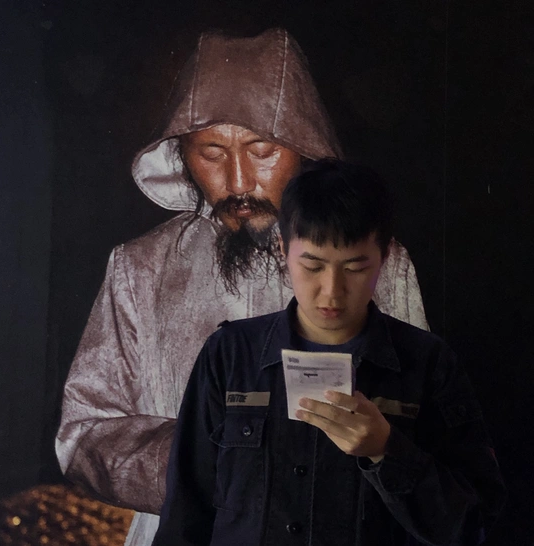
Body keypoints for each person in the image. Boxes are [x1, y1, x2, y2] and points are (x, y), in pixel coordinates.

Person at [55, 29, 429, 546]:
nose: (237, 182)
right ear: (181, 156)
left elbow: (426, 426)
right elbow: (84, 434)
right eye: (211, 153)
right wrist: (205, 460)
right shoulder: (140, 269)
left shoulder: (380, 264)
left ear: (305, 149)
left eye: (262, 150)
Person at [152, 159, 505, 546]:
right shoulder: (230, 354)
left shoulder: (428, 364)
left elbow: (473, 524)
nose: (332, 291)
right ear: (283, 249)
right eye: (313, 266)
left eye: (355, 268)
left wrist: (387, 450)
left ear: (385, 255)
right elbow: (184, 515)